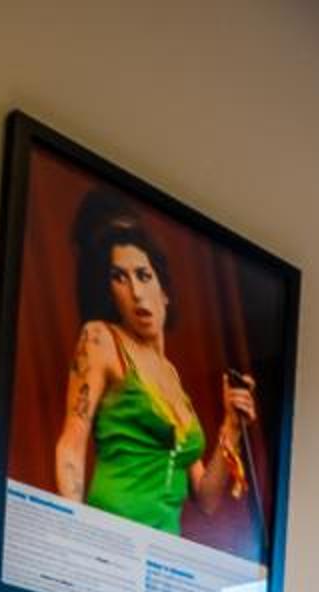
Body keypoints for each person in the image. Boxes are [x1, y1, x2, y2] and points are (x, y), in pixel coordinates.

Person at [51, 201, 259, 539]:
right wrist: (74, 536)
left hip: (161, 552)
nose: (135, 292)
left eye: (143, 276)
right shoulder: (102, 338)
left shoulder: (173, 378)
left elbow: (206, 498)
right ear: (111, 292)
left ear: (164, 292)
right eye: (120, 278)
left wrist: (232, 426)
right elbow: (71, 444)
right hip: (111, 538)